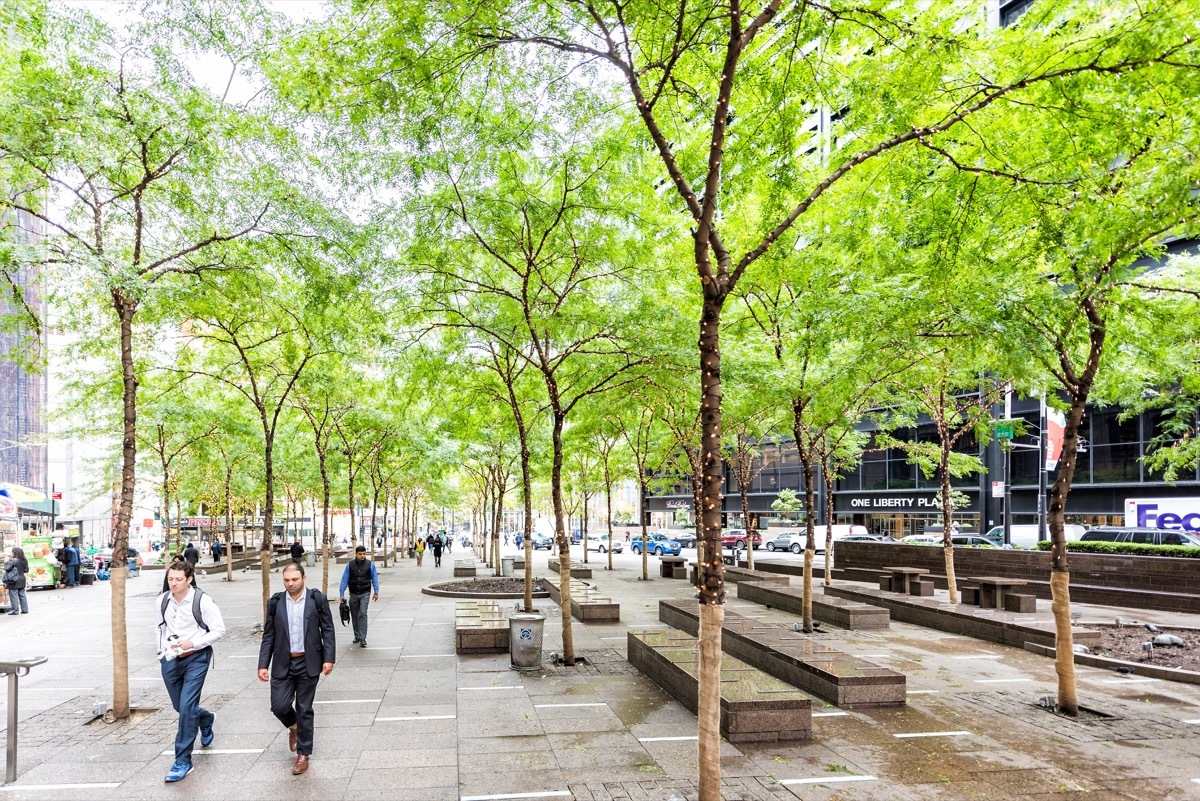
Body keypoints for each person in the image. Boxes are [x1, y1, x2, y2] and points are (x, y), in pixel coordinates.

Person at [257, 563, 335, 776]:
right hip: (283, 662)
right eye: (287, 580)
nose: (290, 584)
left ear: (303, 578)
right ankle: (294, 727)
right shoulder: (275, 602)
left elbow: (327, 630)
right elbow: (269, 636)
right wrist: (263, 664)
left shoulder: (316, 600)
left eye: (294, 580)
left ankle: (303, 754)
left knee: (304, 707)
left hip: (309, 661)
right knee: (279, 706)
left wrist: (329, 658)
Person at [155, 560, 226, 782]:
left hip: (196, 657)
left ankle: (182, 761)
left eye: (178, 579)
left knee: (186, 707)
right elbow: (159, 628)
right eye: (170, 579)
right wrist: (161, 653)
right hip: (170, 658)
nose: (173, 583)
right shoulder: (162, 600)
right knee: (181, 706)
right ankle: (206, 719)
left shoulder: (201, 601)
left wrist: (193, 644)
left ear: (189, 579)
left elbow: (219, 630)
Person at [338, 545, 379, 648]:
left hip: (365, 592)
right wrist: (341, 593)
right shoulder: (349, 565)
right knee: (355, 615)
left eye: (364, 554)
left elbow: (374, 578)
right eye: (360, 554)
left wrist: (376, 592)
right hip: (353, 594)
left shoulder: (370, 565)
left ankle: (363, 638)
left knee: (363, 613)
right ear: (356, 554)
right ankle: (357, 636)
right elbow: (344, 579)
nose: (362, 556)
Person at [3, 547, 29, 615]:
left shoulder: (13, 560)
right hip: (22, 579)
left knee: (13, 594)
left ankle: (15, 610)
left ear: (14, 552)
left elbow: (7, 568)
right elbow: (26, 570)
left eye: (12, 552)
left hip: (14, 580)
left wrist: (6, 562)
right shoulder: (24, 560)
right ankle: (25, 609)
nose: (11, 553)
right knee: (22, 594)